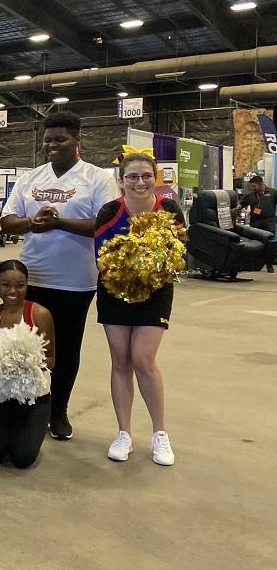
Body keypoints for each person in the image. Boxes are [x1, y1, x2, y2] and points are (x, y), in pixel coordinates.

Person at [0, 111, 118, 440]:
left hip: (75, 282)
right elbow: (6, 221)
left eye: (60, 139)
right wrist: (32, 223)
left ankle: (58, 411)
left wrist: (60, 222)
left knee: (65, 349)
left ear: (76, 142)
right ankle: (27, 405)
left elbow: (105, 224)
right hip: (32, 277)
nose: (52, 145)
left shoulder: (97, 179)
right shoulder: (31, 178)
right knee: (27, 347)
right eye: (48, 140)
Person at [95, 151, 184, 466]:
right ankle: (124, 433)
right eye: (132, 176)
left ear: (155, 178)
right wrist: (126, 273)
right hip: (113, 293)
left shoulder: (170, 210)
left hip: (157, 293)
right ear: (121, 181)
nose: (140, 182)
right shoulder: (109, 212)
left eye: (146, 175)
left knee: (143, 360)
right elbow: (101, 259)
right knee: (120, 360)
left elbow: (179, 256)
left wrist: (153, 270)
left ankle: (160, 433)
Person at [0, 260, 56, 468]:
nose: (13, 291)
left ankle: (35, 422)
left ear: (27, 284)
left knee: (22, 458)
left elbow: (51, 360)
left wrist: (23, 364)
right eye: (6, 285)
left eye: (20, 285)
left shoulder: (39, 314)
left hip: (32, 396)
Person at [240, 174, 276, 272]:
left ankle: (269, 264)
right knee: (255, 243)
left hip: (268, 222)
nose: (253, 188)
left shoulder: (273, 192)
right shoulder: (250, 195)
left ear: (261, 184)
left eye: (254, 186)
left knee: (269, 244)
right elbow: (241, 205)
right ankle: (254, 264)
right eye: (252, 186)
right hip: (255, 222)